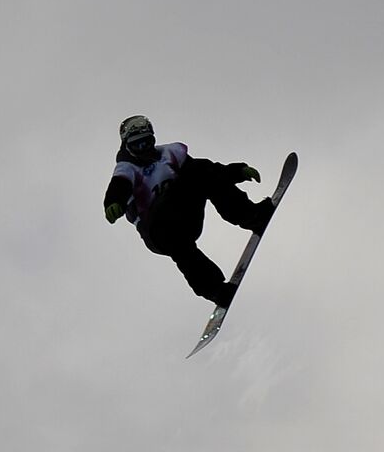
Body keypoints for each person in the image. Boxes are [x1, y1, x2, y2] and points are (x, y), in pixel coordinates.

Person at [103, 115, 274, 308]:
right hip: (159, 229)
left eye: (147, 143)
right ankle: (214, 288)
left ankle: (250, 215)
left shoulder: (171, 154)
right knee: (180, 247)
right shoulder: (127, 169)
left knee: (198, 174)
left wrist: (236, 172)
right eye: (137, 146)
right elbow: (118, 187)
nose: (143, 150)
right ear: (127, 147)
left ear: (154, 139)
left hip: (185, 214)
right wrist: (113, 203)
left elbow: (205, 170)